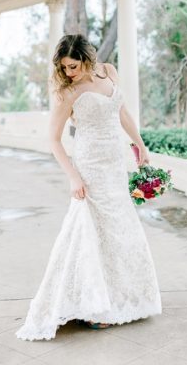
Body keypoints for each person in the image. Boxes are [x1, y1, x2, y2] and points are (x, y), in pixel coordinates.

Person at [16, 34, 161, 340]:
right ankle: (94, 305)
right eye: (65, 67)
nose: (69, 72)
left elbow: (121, 112)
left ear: (88, 59)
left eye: (74, 65)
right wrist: (73, 177)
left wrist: (140, 145)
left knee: (120, 230)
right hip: (90, 167)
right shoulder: (68, 92)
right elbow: (53, 140)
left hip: (115, 164)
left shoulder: (109, 72)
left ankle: (126, 299)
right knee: (92, 232)